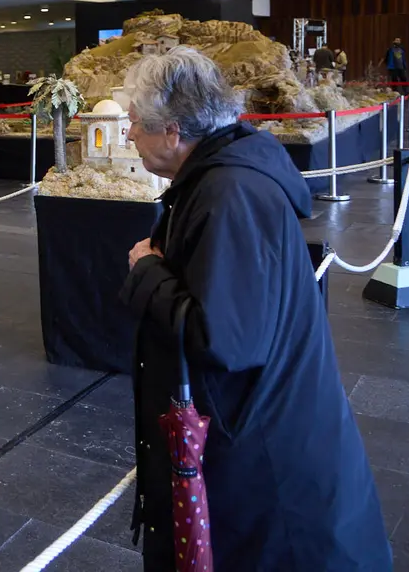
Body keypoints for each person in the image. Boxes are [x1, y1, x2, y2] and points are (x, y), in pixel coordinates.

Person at [120, 47, 390, 571]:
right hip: (268, 440)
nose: (129, 135)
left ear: (173, 131)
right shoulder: (223, 176)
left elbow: (227, 338)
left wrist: (146, 272)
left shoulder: (230, 193)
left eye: (134, 124)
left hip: (269, 465)